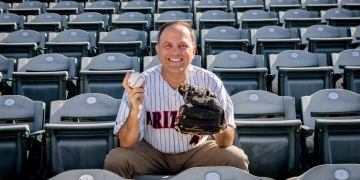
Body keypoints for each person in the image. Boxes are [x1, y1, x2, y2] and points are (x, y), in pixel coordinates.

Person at [103, 21, 249, 179]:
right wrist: (135, 111)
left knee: (236, 157)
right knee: (116, 159)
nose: (175, 52)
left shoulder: (210, 82)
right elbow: (125, 143)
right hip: (153, 152)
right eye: (167, 45)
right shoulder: (141, 83)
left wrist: (219, 125)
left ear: (193, 51)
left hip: (198, 152)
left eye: (183, 45)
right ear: (157, 50)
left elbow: (225, 142)